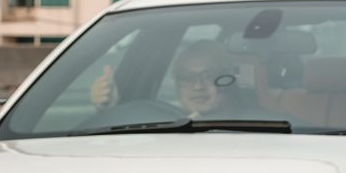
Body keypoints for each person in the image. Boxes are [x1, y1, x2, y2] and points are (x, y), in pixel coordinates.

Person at [90, 40, 256, 118]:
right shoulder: (159, 125)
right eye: (187, 78)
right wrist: (108, 112)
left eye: (208, 76)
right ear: (177, 86)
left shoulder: (254, 127)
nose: (198, 86)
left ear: (227, 80)